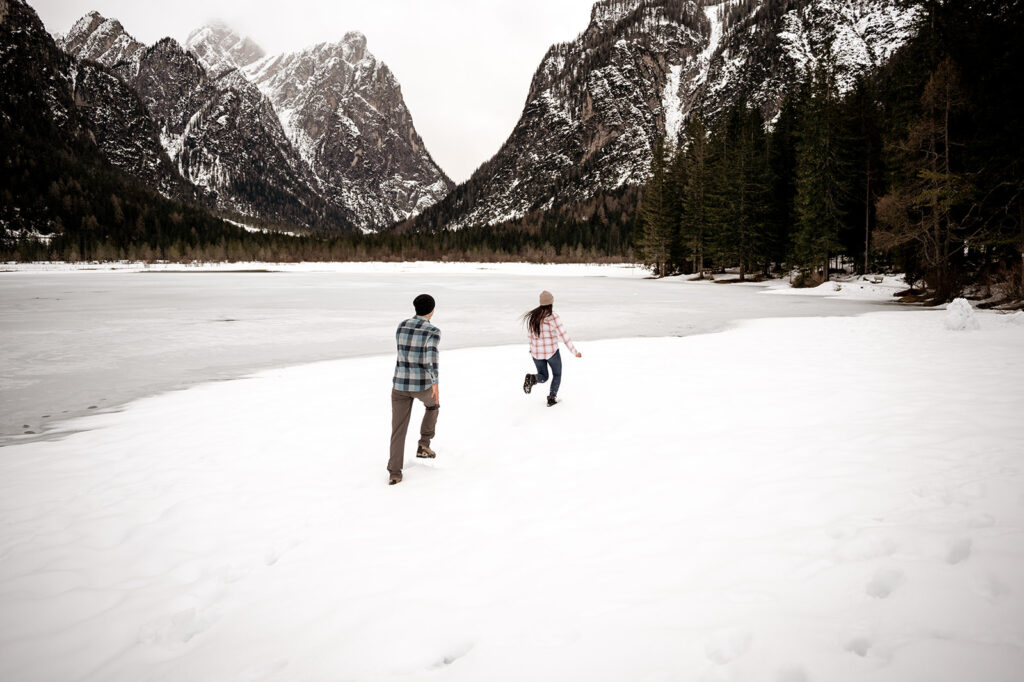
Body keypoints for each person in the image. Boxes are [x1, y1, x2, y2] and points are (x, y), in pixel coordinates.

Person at [388, 294, 441, 485]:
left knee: (398, 429)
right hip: (420, 385)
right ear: (432, 310)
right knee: (433, 405)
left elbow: (401, 350)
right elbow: (431, 358)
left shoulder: (402, 325)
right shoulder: (432, 331)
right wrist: (435, 383)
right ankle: (424, 444)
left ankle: (395, 472)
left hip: (400, 384)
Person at [522, 290, 581, 406]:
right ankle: (551, 398)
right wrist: (575, 352)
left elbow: (530, 335)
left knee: (543, 377)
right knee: (557, 375)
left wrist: (531, 348)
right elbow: (564, 336)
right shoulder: (553, 317)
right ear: (551, 303)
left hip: (537, 354)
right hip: (551, 353)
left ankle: (533, 378)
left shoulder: (534, 317)